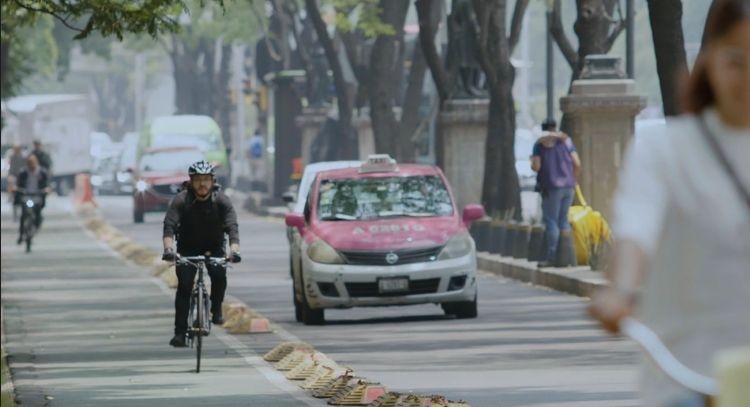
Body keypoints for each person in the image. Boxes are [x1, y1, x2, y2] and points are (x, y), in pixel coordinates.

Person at [589, 1, 750, 406]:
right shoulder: (664, 151)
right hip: (685, 376)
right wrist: (621, 291)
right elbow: (635, 231)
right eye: (736, 61)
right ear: (709, 60)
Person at [162, 160, 242, 348]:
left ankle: (216, 309)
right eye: (198, 180)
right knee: (184, 288)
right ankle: (180, 333)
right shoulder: (181, 200)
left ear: (213, 181)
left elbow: (232, 227)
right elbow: (169, 227)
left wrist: (235, 251)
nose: (202, 184)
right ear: (191, 181)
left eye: (206, 179)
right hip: (187, 250)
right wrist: (168, 250)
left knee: (219, 276)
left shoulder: (221, 200)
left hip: (214, 248)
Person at [531, 118, 581, 267]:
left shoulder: (539, 144)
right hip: (569, 186)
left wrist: (532, 163)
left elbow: (536, 167)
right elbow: (577, 163)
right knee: (563, 221)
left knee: (551, 221)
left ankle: (552, 257)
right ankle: (567, 257)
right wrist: (572, 178)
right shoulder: (566, 141)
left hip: (551, 187)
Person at [12, 154, 50, 244]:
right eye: (29, 163)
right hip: (26, 196)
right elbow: (18, 185)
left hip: (37, 196)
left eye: (32, 163)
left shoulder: (42, 172)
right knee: (24, 214)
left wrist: (46, 189)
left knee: (38, 213)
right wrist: (16, 189)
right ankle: (21, 234)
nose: (31, 165)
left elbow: (47, 185)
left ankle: (36, 225)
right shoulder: (23, 173)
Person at [7, 144, 25, 220]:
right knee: (14, 198)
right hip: (14, 178)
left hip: (21, 178)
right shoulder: (12, 157)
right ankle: (15, 215)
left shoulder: (23, 157)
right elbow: (11, 169)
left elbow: (25, 168)